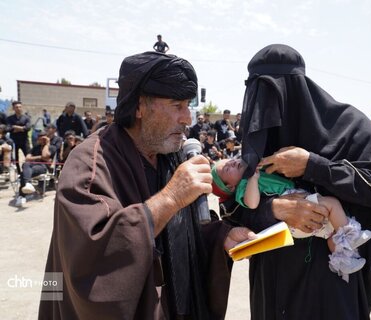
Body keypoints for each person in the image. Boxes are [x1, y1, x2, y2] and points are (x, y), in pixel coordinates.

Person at [38, 51, 253, 319]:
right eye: (177, 106)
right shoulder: (90, 164)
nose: (188, 118)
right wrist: (172, 196)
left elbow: (182, 235)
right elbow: (93, 257)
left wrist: (221, 237)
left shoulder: (171, 155)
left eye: (188, 105)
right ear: (139, 107)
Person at [221, 44, 371, 319]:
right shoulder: (259, 138)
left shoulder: (349, 127)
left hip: (327, 285)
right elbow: (234, 210)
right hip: (270, 281)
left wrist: (314, 166)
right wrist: (273, 210)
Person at [212, 158, 371, 281]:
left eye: (230, 160)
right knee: (332, 204)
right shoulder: (244, 186)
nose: (232, 162)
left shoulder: (252, 170)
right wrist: (253, 178)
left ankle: (344, 260)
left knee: (330, 231)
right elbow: (252, 203)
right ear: (230, 187)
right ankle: (350, 235)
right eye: (227, 169)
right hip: (292, 210)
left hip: (297, 218)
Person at [16, 131, 56, 205]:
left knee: (24, 173)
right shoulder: (36, 147)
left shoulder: (52, 147)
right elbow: (27, 158)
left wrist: (47, 144)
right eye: (40, 139)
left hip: (43, 167)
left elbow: (44, 155)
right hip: (32, 166)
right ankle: (28, 184)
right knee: (26, 165)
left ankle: (21, 196)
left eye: (44, 139)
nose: (42, 140)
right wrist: (40, 157)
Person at [6, 101, 31, 173]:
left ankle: (27, 171)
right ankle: (18, 172)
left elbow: (28, 128)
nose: (19, 108)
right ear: (13, 108)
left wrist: (16, 127)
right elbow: (8, 128)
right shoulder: (10, 118)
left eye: (20, 107)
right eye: (17, 107)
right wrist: (22, 128)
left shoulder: (26, 118)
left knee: (28, 156)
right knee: (15, 157)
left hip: (24, 140)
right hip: (14, 140)